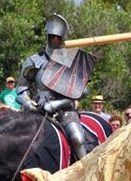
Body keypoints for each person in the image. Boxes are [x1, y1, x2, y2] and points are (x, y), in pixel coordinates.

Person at [16, 14, 96, 159]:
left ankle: (83, 168)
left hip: (64, 109)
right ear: (47, 37)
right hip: (37, 108)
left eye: (58, 38)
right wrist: (27, 102)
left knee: (77, 138)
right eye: (52, 37)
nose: (54, 40)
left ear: (62, 39)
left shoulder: (70, 61)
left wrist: (55, 104)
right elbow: (21, 88)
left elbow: (83, 91)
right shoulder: (34, 61)